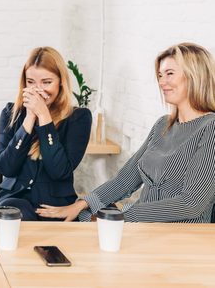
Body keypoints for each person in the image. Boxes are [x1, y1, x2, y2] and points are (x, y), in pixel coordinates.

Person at [37, 42, 215, 223]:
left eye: (170, 74)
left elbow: (191, 204)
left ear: (195, 75)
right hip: (144, 226)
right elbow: (125, 180)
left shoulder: (210, 128)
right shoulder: (163, 124)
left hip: (181, 234)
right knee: (81, 216)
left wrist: (120, 216)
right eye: (160, 75)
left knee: (92, 223)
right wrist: (82, 204)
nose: (162, 82)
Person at [0, 47, 92, 221]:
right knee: (13, 213)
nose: (38, 89)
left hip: (53, 205)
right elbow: (5, 167)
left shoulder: (78, 118)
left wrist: (44, 117)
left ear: (61, 82)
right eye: (31, 82)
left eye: (47, 82)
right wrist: (29, 118)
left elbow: (59, 171)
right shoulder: (11, 113)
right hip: (12, 200)